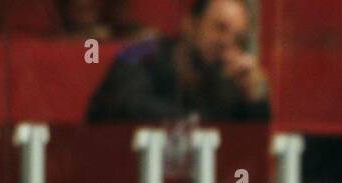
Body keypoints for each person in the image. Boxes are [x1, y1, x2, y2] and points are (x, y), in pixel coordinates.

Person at [85, 0, 269, 123]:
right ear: (189, 25)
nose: (227, 42)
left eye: (238, 38)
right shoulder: (141, 51)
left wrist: (255, 98)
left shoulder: (226, 78)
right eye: (220, 28)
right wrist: (197, 122)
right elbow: (128, 106)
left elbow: (248, 149)